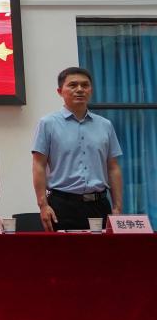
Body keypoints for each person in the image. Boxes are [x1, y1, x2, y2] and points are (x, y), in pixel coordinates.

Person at [32, 66, 123, 231]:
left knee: (102, 248)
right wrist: (43, 205)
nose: (80, 89)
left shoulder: (105, 125)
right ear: (60, 91)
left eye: (85, 85)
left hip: (99, 205)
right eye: (73, 85)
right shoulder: (48, 124)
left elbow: (113, 167)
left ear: (91, 90)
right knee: (64, 249)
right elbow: (39, 165)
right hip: (62, 206)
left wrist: (117, 207)